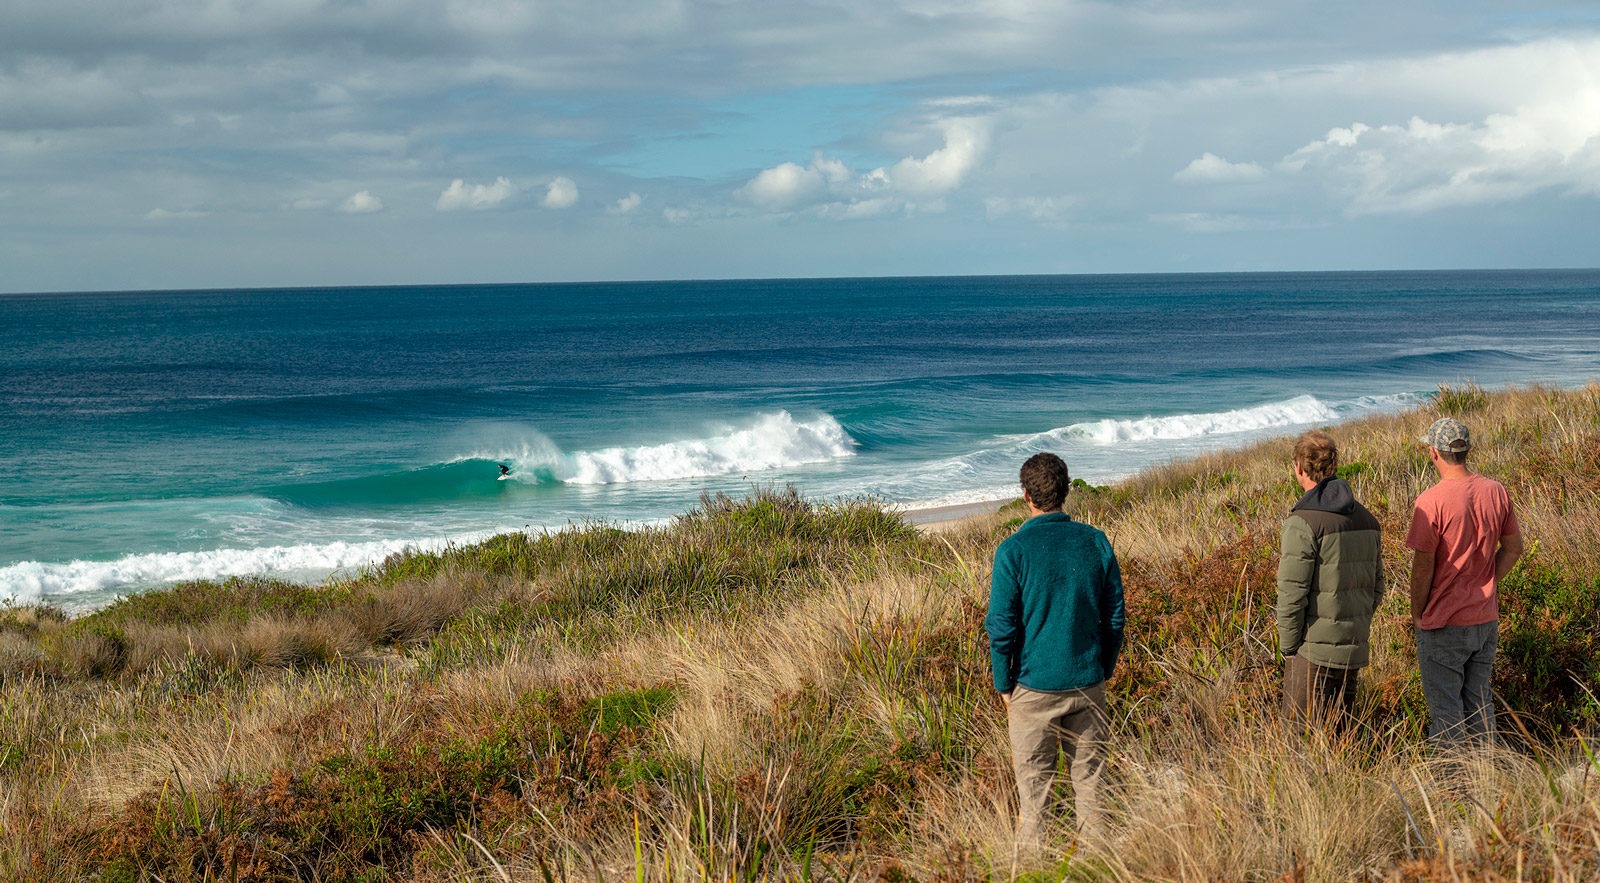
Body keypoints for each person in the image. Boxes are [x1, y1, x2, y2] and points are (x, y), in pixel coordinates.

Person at [985, 452, 1125, 842]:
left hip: (1033, 688)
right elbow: (1114, 617)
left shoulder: (1013, 550)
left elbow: (1001, 628)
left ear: (1025, 494)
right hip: (1086, 682)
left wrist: (1003, 683)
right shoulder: (1094, 541)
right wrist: (1102, 670)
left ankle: (1035, 871)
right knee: (1092, 792)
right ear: (1065, 491)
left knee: (1035, 801)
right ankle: (1095, 869)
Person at [1406, 417, 1524, 746]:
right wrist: (1488, 582)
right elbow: (1514, 549)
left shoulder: (1430, 501)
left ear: (1434, 453)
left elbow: (1422, 568)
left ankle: (1452, 789)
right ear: (1466, 451)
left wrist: (1418, 613)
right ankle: (1485, 777)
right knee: (1480, 705)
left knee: (1446, 713)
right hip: (1484, 618)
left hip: (1444, 622)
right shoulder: (1495, 491)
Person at [1276, 430, 1384, 730]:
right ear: (1334, 466)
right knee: (1341, 735)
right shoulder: (1367, 519)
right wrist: (1352, 624)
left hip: (1311, 650)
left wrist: (1289, 647)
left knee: (1300, 737)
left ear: (1299, 467)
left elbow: (1291, 596)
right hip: (1353, 645)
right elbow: (1377, 587)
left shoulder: (1303, 522)